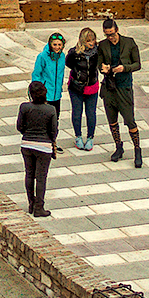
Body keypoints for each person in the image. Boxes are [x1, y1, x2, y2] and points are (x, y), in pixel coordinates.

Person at [99, 16, 142, 167]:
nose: (110, 37)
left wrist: (125, 68)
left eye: (112, 34)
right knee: (112, 121)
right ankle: (118, 147)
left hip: (124, 87)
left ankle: (137, 149)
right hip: (110, 87)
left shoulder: (129, 42)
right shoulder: (103, 45)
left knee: (130, 120)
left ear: (117, 30)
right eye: (107, 35)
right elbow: (100, 64)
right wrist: (104, 68)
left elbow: (137, 64)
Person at [17, 80, 58, 218]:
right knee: (41, 177)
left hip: (27, 144)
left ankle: (31, 203)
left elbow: (20, 127)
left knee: (29, 174)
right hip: (44, 146)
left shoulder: (24, 107)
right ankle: (39, 208)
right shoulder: (51, 110)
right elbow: (53, 131)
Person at [66, 27, 102, 152]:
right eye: (88, 41)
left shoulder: (98, 52)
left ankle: (90, 137)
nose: (91, 43)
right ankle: (78, 136)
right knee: (77, 113)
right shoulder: (74, 53)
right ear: (82, 41)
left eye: (93, 40)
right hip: (76, 87)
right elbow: (69, 64)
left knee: (91, 113)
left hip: (92, 86)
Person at [31, 34, 68, 153]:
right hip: (45, 94)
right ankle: (43, 141)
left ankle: (53, 142)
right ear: (50, 44)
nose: (57, 47)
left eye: (59, 45)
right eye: (54, 44)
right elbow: (36, 74)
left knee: (55, 118)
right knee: (44, 119)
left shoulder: (62, 56)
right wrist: (37, 90)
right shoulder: (42, 57)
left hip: (56, 94)